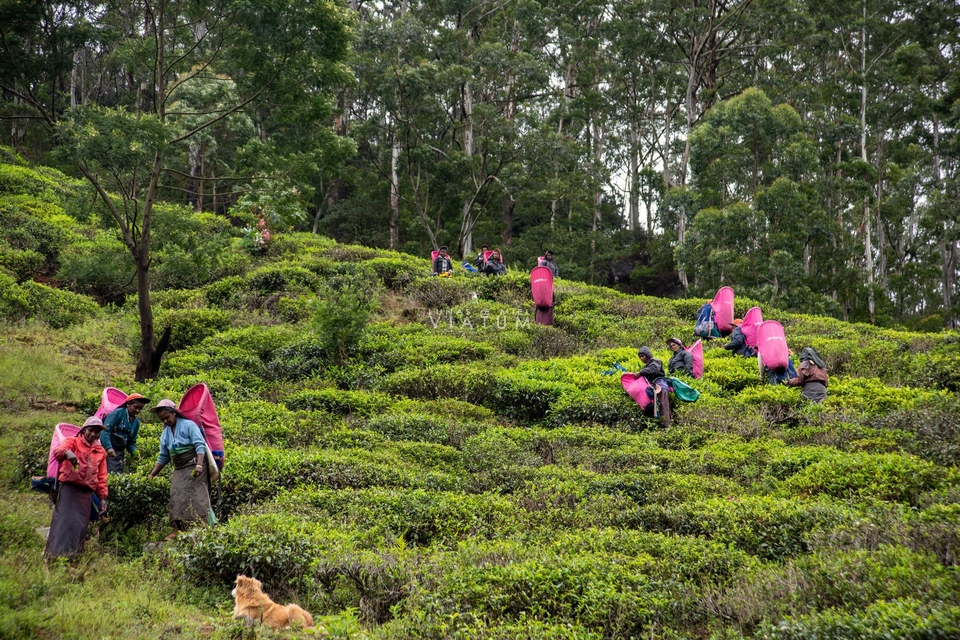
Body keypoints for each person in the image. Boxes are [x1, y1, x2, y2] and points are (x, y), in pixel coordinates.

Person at [44, 416, 108, 560]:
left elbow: (102, 476)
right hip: (69, 489)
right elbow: (59, 451)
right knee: (64, 521)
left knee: (79, 526)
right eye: (91, 431)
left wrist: (102, 497)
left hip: (86, 493)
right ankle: (54, 555)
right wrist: (68, 453)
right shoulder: (73, 442)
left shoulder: (100, 452)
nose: (93, 435)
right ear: (84, 430)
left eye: (97, 432)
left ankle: (72, 557)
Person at [147, 399, 211, 539]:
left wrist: (199, 464)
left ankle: (200, 527)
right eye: (162, 419)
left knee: (197, 495)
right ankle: (178, 529)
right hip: (180, 468)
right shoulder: (165, 434)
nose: (165, 421)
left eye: (167, 417)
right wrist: (152, 474)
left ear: (174, 413)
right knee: (176, 495)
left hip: (195, 464)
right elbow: (163, 457)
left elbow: (199, 445)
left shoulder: (189, 425)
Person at [101, 393, 149, 473]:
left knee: (115, 474)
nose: (137, 411)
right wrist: (108, 448)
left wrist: (135, 453)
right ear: (128, 404)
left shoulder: (136, 423)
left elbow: (131, 442)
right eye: (136, 407)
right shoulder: (117, 413)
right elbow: (105, 431)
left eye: (140, 409)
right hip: (107, 449)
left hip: (119, 453)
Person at [637, 346, 671, 427]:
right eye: (640, 357)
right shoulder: (645, 367)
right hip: (652, 389)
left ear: (647, 354)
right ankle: (657, 426)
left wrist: (640, 373)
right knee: (656, 408)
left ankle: (666, 427)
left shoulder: (655, 361)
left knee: (663, 406)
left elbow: (654, 369)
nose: (641, 358)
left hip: (660, 387)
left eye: (642, 356)